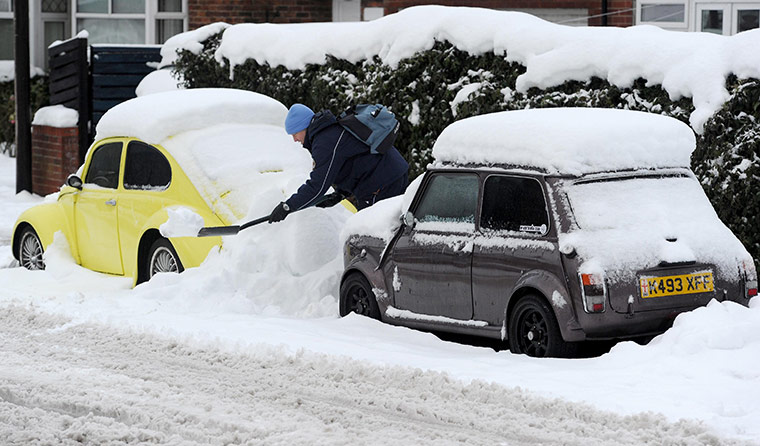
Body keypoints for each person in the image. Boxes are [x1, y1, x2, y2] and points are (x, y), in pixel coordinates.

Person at [269, 103, 409, 223]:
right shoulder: (330, 132)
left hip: (381, 183)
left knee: (372, 235)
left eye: (295, 133)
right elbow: (355, 161)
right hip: (392, 174)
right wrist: (341, 193)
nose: (295, 139)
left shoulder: (324, 142)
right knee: (397, 227)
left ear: (303, 127)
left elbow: (318, 186)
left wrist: (287, 207)